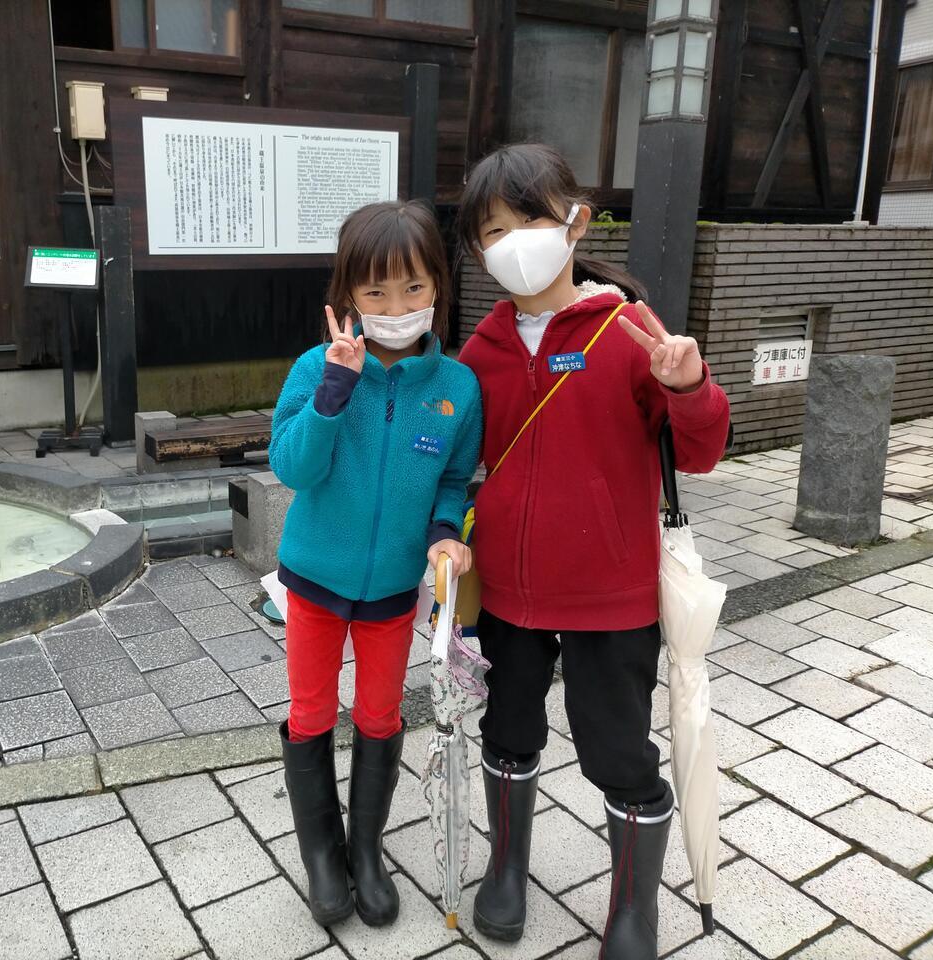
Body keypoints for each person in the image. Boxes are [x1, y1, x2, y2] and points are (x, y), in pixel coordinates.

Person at [455, 143, 730, 958]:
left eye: (530, 220)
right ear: (477, 249)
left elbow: (703, 452)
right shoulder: (482, 351)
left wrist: (690, 386)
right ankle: (507, 869)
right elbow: (453, 462)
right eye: (494, 231)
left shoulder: (626, 331)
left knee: (618, 751)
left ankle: (634, 912)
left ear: (576, 223)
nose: (514, 243)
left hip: (612, 594)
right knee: (507, 729)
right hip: (508, 591)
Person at [270, 200, 482, 928]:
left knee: (381, 715)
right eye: (376, 292)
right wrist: (334, 391)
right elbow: (292, 467)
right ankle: (322, 857)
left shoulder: (457, 387)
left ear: (437, 287)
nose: (396, 308)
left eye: (414, 287)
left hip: (394, 589)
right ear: (348, 296)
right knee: (309, 713)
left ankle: (365, 851)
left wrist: (446, 532)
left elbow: (453, 480)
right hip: (314, 582)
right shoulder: (316, 367)